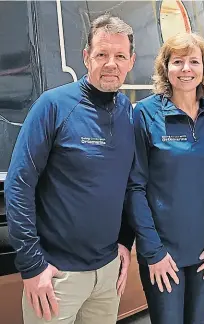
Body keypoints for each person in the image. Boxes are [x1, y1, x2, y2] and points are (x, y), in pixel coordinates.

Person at [5, 14, 136, 324]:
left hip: (107, 275)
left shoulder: (127, 113)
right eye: (102, 54)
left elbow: (129, 183)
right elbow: (18, 184)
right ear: (86, 57)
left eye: (119, 56)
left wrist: (125, 242)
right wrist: (32, 265)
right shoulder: (53, 106)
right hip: (56, 275)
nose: (111, 64)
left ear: (131, 61)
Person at [125, 32, 204, 324]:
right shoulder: (145, 115)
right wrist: (152, 251)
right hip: (164, 254)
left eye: (194, 62)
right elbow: (135, 187)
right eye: (178, 62)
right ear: (165, 68)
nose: (186, 69)